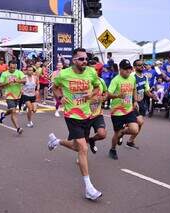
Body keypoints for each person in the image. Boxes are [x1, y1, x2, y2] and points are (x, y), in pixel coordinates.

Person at [48, 48, 102, 200]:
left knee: (77, 147)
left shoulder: (91, 72)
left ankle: (56, 141)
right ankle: (89, 188)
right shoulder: (64, 74)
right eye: (81, 59)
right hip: (71, 114)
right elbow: (55, 87)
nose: (84, 62)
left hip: (86, 115)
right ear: (73, 60)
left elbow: (97, 87)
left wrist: (91, 94)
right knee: (84, 148)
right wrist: (60, 98)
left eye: (85, 59)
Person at [108, 59, 139, 159]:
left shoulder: (132, 78)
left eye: (129, 69)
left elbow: (134, 89)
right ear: (120, 69)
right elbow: (108, 94)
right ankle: (112, 149)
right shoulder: (115, 80)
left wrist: (135, 101)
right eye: (125, 69)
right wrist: (117, 95)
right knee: (116, 133)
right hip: (117, 112)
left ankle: (122, 133)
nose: (128, 71)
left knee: (135, 129)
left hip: (128, 109)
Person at [124, 59, 156, 149]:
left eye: (143, 65)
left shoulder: (145, 77)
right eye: (139, 65)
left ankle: (130, 141)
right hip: (132, 103)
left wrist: (152, 96)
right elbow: (127, 90)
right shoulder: (131, 76)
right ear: (134, 67)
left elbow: (146, 90)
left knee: (140, 124)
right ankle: (122, 132)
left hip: (141, 102)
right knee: (139, 122)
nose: (142, 66)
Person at [0, 61, 26, 133]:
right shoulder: (4, 74)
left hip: (17, 95)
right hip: (9, 95)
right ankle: (18, 128)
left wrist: (18, 80)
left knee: (11, 110)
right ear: (8, 66)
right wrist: (7, 82)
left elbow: (24, 80)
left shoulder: (19, 72)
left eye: (14, 68)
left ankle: (3, 114)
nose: (13, 69)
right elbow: (0, 85)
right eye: (11, 67)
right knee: (13, 111)